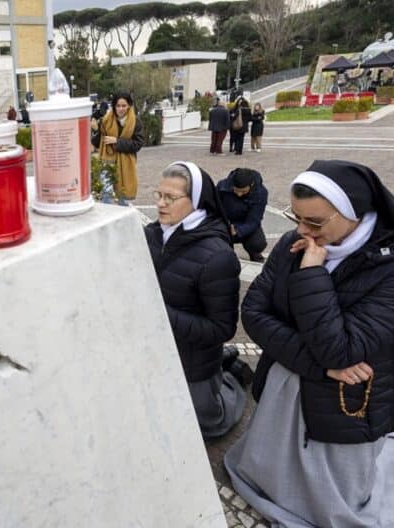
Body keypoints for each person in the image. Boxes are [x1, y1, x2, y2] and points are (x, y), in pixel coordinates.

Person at [225, 160, 394, 527]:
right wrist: (317, 365)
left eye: (315, 222)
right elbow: (253, 312)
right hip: (295, 388)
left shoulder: (387, 268)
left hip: (346, 408)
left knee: (333, 486)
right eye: (295, 218)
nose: (302, 230)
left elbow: (341, 350)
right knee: (275, 458)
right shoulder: (293, 243)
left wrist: (313, 273)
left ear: (353, 212)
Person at [144, 161, 247, 439]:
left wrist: (161, 314)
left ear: (197, 201)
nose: (161, 204)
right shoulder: (151, 234)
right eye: (158, 195)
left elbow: (222, 329)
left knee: (209, 426)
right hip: (154, 349)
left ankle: (231, 378)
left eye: (171, 198)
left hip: (193, 359)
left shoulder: (217, 257)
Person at [90, 92, 144, 205]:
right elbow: (97, 142)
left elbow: (137, 144)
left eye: (124, 105)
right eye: (118, 106)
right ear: (114, 106)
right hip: (107, 161)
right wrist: (95, 130)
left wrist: (117, 141)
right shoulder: (106, 120)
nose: (121, 109)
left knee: (122, 196)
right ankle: (108, 217)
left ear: (129, 105)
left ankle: (123, 217)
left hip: (125, 163)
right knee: (106, 192)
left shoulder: (135, 122)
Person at [217, 168, 268, 262]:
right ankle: (228, 258)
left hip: (246, 223)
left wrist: (238, 230)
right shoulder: (222, 186)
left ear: (251, 185)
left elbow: (254, 220)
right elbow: (216, 208)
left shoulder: (260, 193)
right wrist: (224, 225)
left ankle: (255, 255)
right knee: (220, 244)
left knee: (257, 243)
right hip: (226, 222)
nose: (239, 194)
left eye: (243, 192)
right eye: (236, 191)